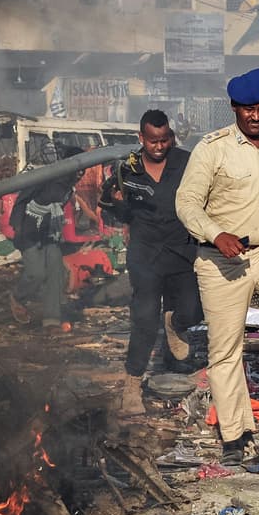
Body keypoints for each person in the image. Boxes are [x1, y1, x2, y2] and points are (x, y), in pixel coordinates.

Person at [176, 67, 259, 465]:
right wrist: (216, 234)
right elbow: (186, 203)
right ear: (235, 108)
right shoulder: (212, 148)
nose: (255, 116)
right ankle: (235, 436)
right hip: (221, 257)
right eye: (248, 109)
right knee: (225, 350)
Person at [100, 110, 201, 415]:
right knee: (144, 319)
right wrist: (118, 204)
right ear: (141, 138)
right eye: (153, 140)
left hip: (181, 250)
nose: (159, 146)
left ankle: (176, 323)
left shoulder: (186, 162)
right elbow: (113, 210)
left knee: (193, 309)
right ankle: (132, 384)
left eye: (165, 139)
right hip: (145, 255)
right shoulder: (127, 170)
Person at [8, 146, 83, 331]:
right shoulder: (47, 176)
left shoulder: (69, 186)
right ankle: (17, 297)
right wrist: (17, 228)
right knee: (36, 273)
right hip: (29, 230)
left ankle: (52, 318)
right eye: (80, 167)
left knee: (56, 271)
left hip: (49, 233)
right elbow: (22, 200)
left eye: (84, 168)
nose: (81, 173)